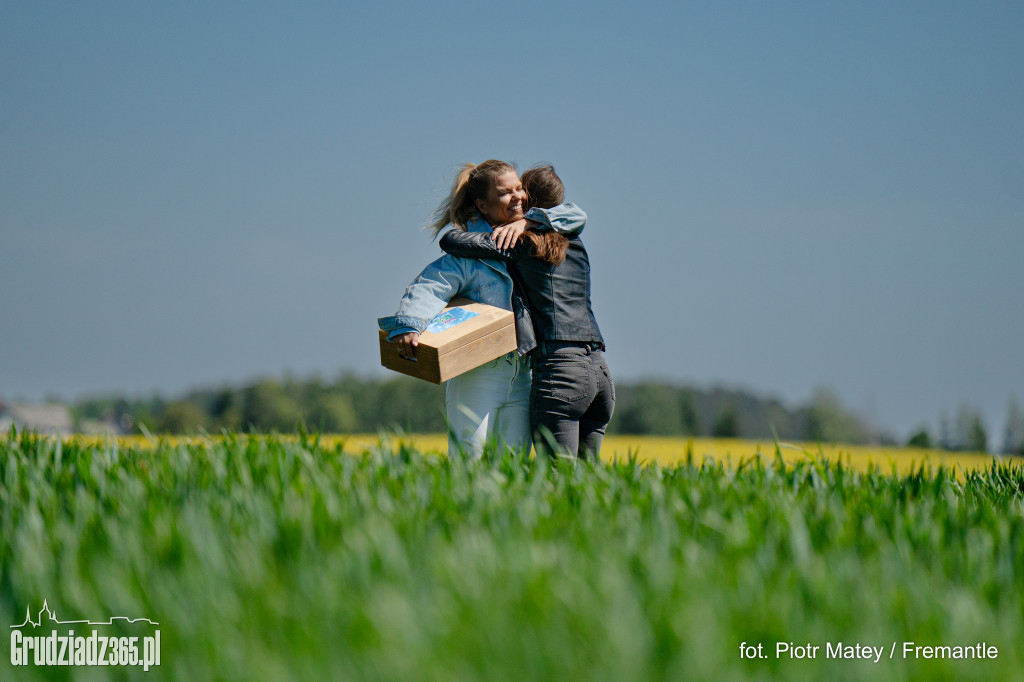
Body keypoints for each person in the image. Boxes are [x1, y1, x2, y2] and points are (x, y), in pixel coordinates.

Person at [378, 160, 586, 458]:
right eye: (505, 192)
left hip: (523, 372)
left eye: (519, 189)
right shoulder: (468, 253)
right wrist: (410, 324)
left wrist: (528, 222)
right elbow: (430, 284)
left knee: (511, 466)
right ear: (483, 206)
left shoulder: (533, 234)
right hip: (478, 372)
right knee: (469, 462)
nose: (517, 197)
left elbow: (576, 214)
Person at [439, 166, 614, 460]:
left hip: (561, 371)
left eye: (520, 192)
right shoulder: (577, 242)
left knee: (557, 477)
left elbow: (450, 241)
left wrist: (522, 226)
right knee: (589, 481)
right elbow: (576, 215)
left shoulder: (520, 245)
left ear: (529, 201)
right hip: (600, 371)